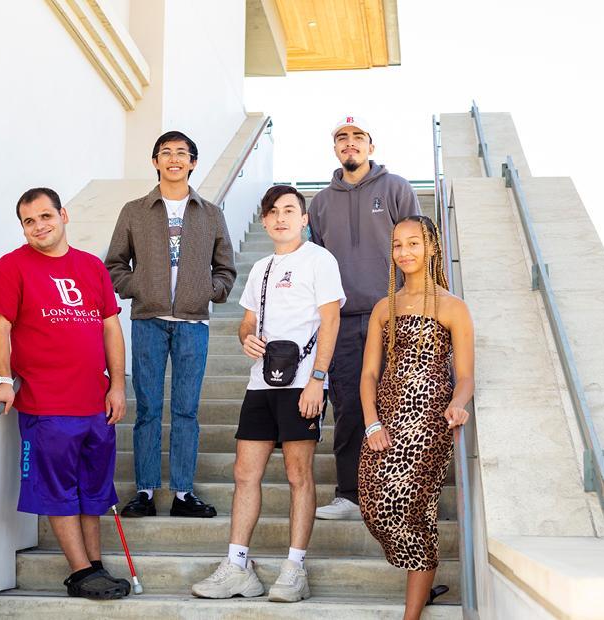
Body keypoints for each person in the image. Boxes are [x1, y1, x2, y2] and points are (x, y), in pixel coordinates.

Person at [191, 185, 345, 602]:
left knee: (299, 475)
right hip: (261, 382)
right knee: (245, 473)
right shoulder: (260, 267)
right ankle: (238, 566)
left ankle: (294, 568)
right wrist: (246, 339)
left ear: (304, 218)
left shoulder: (320, 260)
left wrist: (318, 378)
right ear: (264, 221)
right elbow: (247, 323)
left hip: (302, 384)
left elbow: (330, 321)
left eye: (289, 211)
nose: (281, 218)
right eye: (273, 212)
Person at [0, 187, 129, 600]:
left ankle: (95, 565)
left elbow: (110, 327)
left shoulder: (91, 267)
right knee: (59, 491)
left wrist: (117, 384)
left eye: (45, 216)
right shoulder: (12, 267)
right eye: (29, 221)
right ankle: (81, 573)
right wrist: (2, 379)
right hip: (47, 405)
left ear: (63, 215)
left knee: (93, 489)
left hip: (95, 403)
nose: (39, 226)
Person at [105, 131, 237, 519]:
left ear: (193, 162)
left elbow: (225, 267)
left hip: (193, 324)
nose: (174, 159)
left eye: (182, 153)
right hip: (148, 321)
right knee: (146, 407)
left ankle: (182, 493)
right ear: (155, 161)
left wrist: (209, 292)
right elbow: (114, 263)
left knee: (186, 410)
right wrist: (138, 287)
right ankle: (145, 490)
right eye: (166, 153)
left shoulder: (210, 212)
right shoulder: (134, 210)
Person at [358, 215, 474, 620]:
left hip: (428, 423)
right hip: (386, 417)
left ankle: (412, 612)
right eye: (397, 245)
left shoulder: (453, 307)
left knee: (411, 511)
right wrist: (372, 421)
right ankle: (423, 580)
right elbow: (370, 373)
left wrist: (458, 404)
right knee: (374, 507)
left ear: (432, 248)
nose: (404, 252)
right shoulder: (383, 308)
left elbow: (466, 376)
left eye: (414, 243)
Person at [307, 115, 421, 520]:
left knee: (401, 404)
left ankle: (400, 494)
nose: (349, 143)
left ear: (371, 146)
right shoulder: (319, 203)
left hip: (394, 314)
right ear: (335, 148)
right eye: (342, 137)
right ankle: (351, 495)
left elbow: (421, 248)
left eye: (358, 136)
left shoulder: (396, 188)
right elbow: (314, 265)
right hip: (342, 320)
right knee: (351, 406)